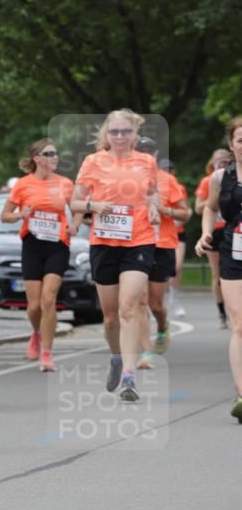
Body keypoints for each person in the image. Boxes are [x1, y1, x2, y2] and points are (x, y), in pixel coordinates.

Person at [71, 109, 159, 402]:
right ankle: (116, 357)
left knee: (128, 308)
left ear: (135, 134)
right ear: (106, 134)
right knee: (110, 318)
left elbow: (152, 193)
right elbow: (75, 202)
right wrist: (93, 205)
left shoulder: (146, 162)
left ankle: (129, 378)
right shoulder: (93, 162)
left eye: (125, 131)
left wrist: (154, 207)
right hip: (104, 243)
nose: (120, 136)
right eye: (114, 132)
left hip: (139, 241)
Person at [1, 139, 75, 371]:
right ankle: (36, 333)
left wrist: (75, 224)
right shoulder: (23, 184)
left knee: (48, 299)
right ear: (37, 159)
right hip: (32, 245)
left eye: (56, 153)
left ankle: (47, 354)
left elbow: (78, 208)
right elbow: (5, 216)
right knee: (34, 306)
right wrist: (20, 215)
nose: (55, 157)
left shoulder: (65, 183)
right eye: (49, 153)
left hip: (57, 246)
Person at [196, 116, 242, 422]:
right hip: (233, 251)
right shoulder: (220, 177)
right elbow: (211, 208)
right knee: (239, 325)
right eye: (240, 139)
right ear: (231, 144)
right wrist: (205, 233)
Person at [134, 140, 190, 369]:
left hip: (162, 244)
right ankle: (146, 352)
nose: (146, 155)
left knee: (155, 304)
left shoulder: (168, 180)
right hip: (137, 244)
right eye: (141, 151)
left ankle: (162, 326)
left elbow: (185, 213)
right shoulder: (127, 180)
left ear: (156, 154)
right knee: (140, 300)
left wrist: (164, 210)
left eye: (149, 151)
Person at [195, 149, 232, 328]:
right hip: (215, 230)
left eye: (225, 160)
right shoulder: (208, 180)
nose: (222, 163)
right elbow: (199, 208)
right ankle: (222, 313)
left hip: (231, 228)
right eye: (218, 160)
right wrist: (214, 196)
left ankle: (234, 308)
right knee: (217, 274)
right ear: (212, 162)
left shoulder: (235, 179)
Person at [161, 159, 191, 319]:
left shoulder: (179, 187)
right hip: (160, 233)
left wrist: (181, 218)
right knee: (160, 269)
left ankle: (174, 298)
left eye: (169, 169)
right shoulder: (153, 187)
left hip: (178, 232)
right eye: (164, 169)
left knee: (177, 266)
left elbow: (186, 210)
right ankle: (159, 300)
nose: (167, 172)